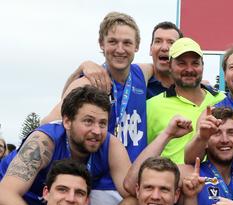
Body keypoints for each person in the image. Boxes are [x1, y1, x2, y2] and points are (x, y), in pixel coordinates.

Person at [0, 86, 138, 205]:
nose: (97, 131)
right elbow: (5, 193)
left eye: (102, 123)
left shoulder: (111, 145)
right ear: (67, 121)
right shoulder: (43, 141)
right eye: (88, 121)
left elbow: (135, 196)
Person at [44, 12, 153, 166]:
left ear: (137, 46)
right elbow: (48, 122)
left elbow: (175, 71)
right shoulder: (87, 82)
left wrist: (200, 84)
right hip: (97, 181)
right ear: (102, 44)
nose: (120, 49)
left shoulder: (143, 73)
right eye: (113, 42)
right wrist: (82, 67)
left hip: (136, 178)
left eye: (127, 43)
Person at [147, 37, 225, 164]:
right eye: (181, 63)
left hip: (216, 183)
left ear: (203, 66)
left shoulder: (222, 100)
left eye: (195, 63)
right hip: (171, 182)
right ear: (170, 67)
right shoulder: (151, 106)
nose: (189, 69)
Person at [182, 106, 233, 205]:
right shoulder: (189, 174)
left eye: (231, 133)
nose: (225, 140)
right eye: (216, 133)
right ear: (205, 141)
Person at [147, 21, 183, 98]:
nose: (164, 48)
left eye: (171, 42)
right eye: (158, 41)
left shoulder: (191, 89)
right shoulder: (138, 86)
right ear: (150, 49)